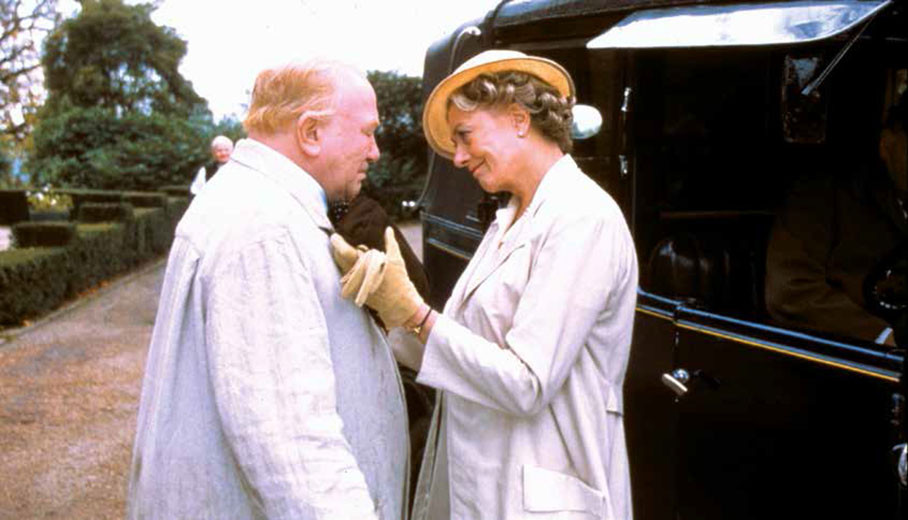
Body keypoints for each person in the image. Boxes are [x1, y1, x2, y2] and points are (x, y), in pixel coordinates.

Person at [332, 50, 638, 519]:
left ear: (519, 119)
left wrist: (415, 313)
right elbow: (459, 352)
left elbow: (526, 383)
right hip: (489, 489)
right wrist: (391, 312)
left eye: (465, 135)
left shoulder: (583, 217)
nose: (457, 157)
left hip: (544, 497)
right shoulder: (510, 220)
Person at [127, 59, 409, 519]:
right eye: (367, 132)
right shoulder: (265, 229)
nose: (375, 152)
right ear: (311, 133)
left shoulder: (255, 205)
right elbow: (294, 450)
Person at [765, 92, 908, 347]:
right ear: (887, 144)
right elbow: (791, 291)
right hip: (841, 356)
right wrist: (881, 338)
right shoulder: (821, 196)